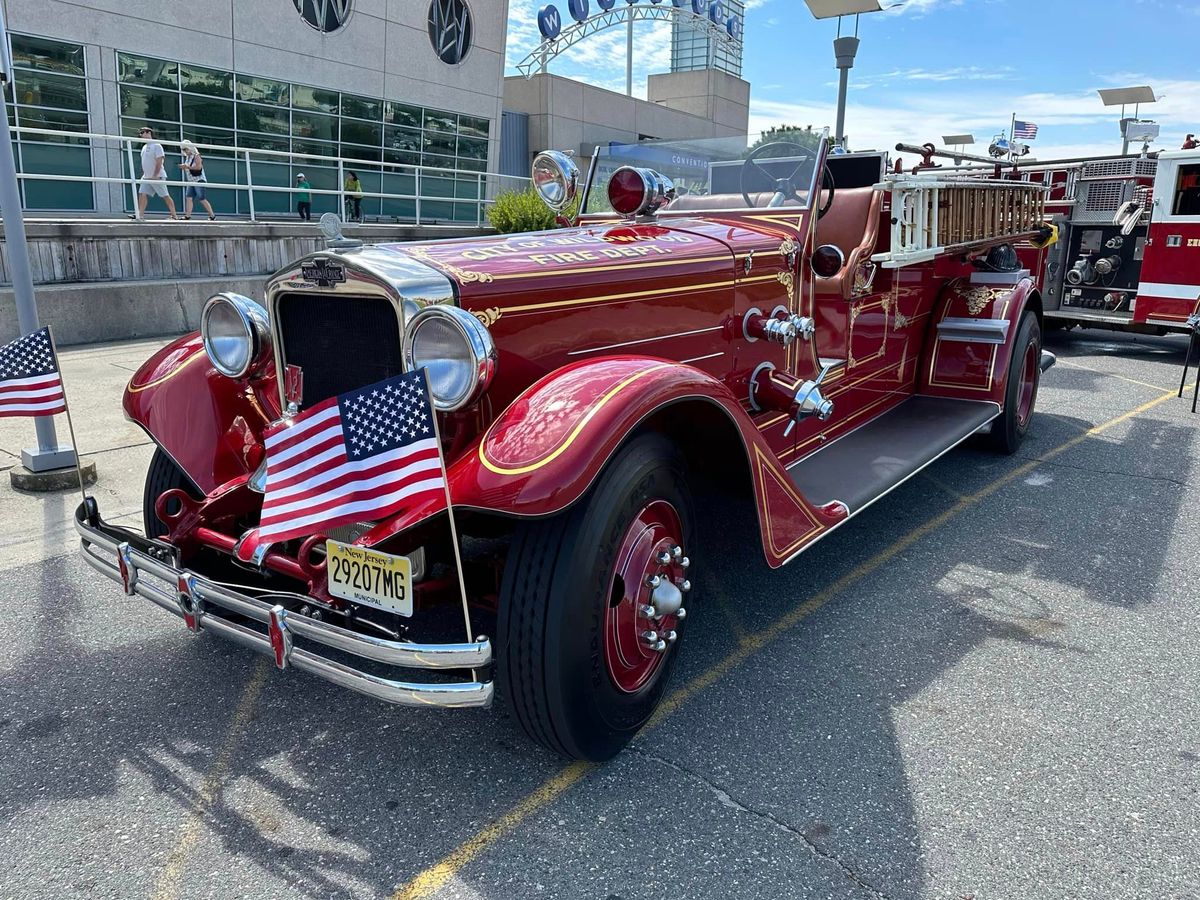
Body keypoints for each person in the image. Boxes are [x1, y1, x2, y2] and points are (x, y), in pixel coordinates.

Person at [135, 126, 177, 219]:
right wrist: (144, 174)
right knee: (142, 193)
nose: (140, 135)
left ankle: (174, 215)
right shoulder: (144, 147)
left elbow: (159, 161)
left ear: (148, 133)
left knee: (165, 195)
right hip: (146, 177)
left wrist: (155, 175)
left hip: (157, 176)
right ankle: (140, 215)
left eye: (142, 133)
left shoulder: (156, 145)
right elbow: (145, 162)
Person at [177, 140, 215, 220]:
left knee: (201, 198)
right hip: (191, 181)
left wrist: (187, 167)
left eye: (185, 149)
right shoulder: (187, 157)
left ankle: (212, 216)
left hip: (199, 180)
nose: (184, 151)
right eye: (183, 150)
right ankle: (187, 216)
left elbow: (198, 167)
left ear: (190, 148)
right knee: (189, 197)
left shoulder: (196, 156)